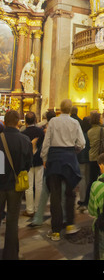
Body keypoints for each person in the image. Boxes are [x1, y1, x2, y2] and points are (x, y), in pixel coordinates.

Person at [40, 99, 85, 241]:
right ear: (71, 109)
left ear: (60, 108)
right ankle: (70, 225)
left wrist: (44, 157)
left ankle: (56, 231)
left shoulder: (53, 122)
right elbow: (82, 143)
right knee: (70, 193)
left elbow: (47, 141)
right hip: (69, 159)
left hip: (54, 159)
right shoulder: (75, 122)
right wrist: (74, 150)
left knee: (55, 194)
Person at [0, 110, 33, 260]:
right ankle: (11, 254)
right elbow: (28, 165)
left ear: (5, 122)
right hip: (15, 185)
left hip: (0, 184)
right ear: (18, 122)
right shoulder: (25, 140)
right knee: (12, 221)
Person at [22, 111, 45, 217]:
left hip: (28, 163)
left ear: (26, 121)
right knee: (39, 185)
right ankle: (37, 208)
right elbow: (44, 146)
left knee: (29, 186)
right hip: (39, 160)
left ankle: (30, 209)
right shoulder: (41, 132)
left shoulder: (23, 133)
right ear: (35, 120)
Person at [87, 112, 104, 188]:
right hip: (102, 157)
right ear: (99, 119)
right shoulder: (103, 130)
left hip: (92, 157)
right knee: (103, 179)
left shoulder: (89, 131)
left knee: (92, 180)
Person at [77, 116, 91, 212]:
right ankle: (88, 200)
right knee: (88, 179)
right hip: (90, 159)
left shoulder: (80, 133)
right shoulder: (91, 133)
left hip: (81, 158)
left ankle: (82, 200)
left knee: (82, 179)